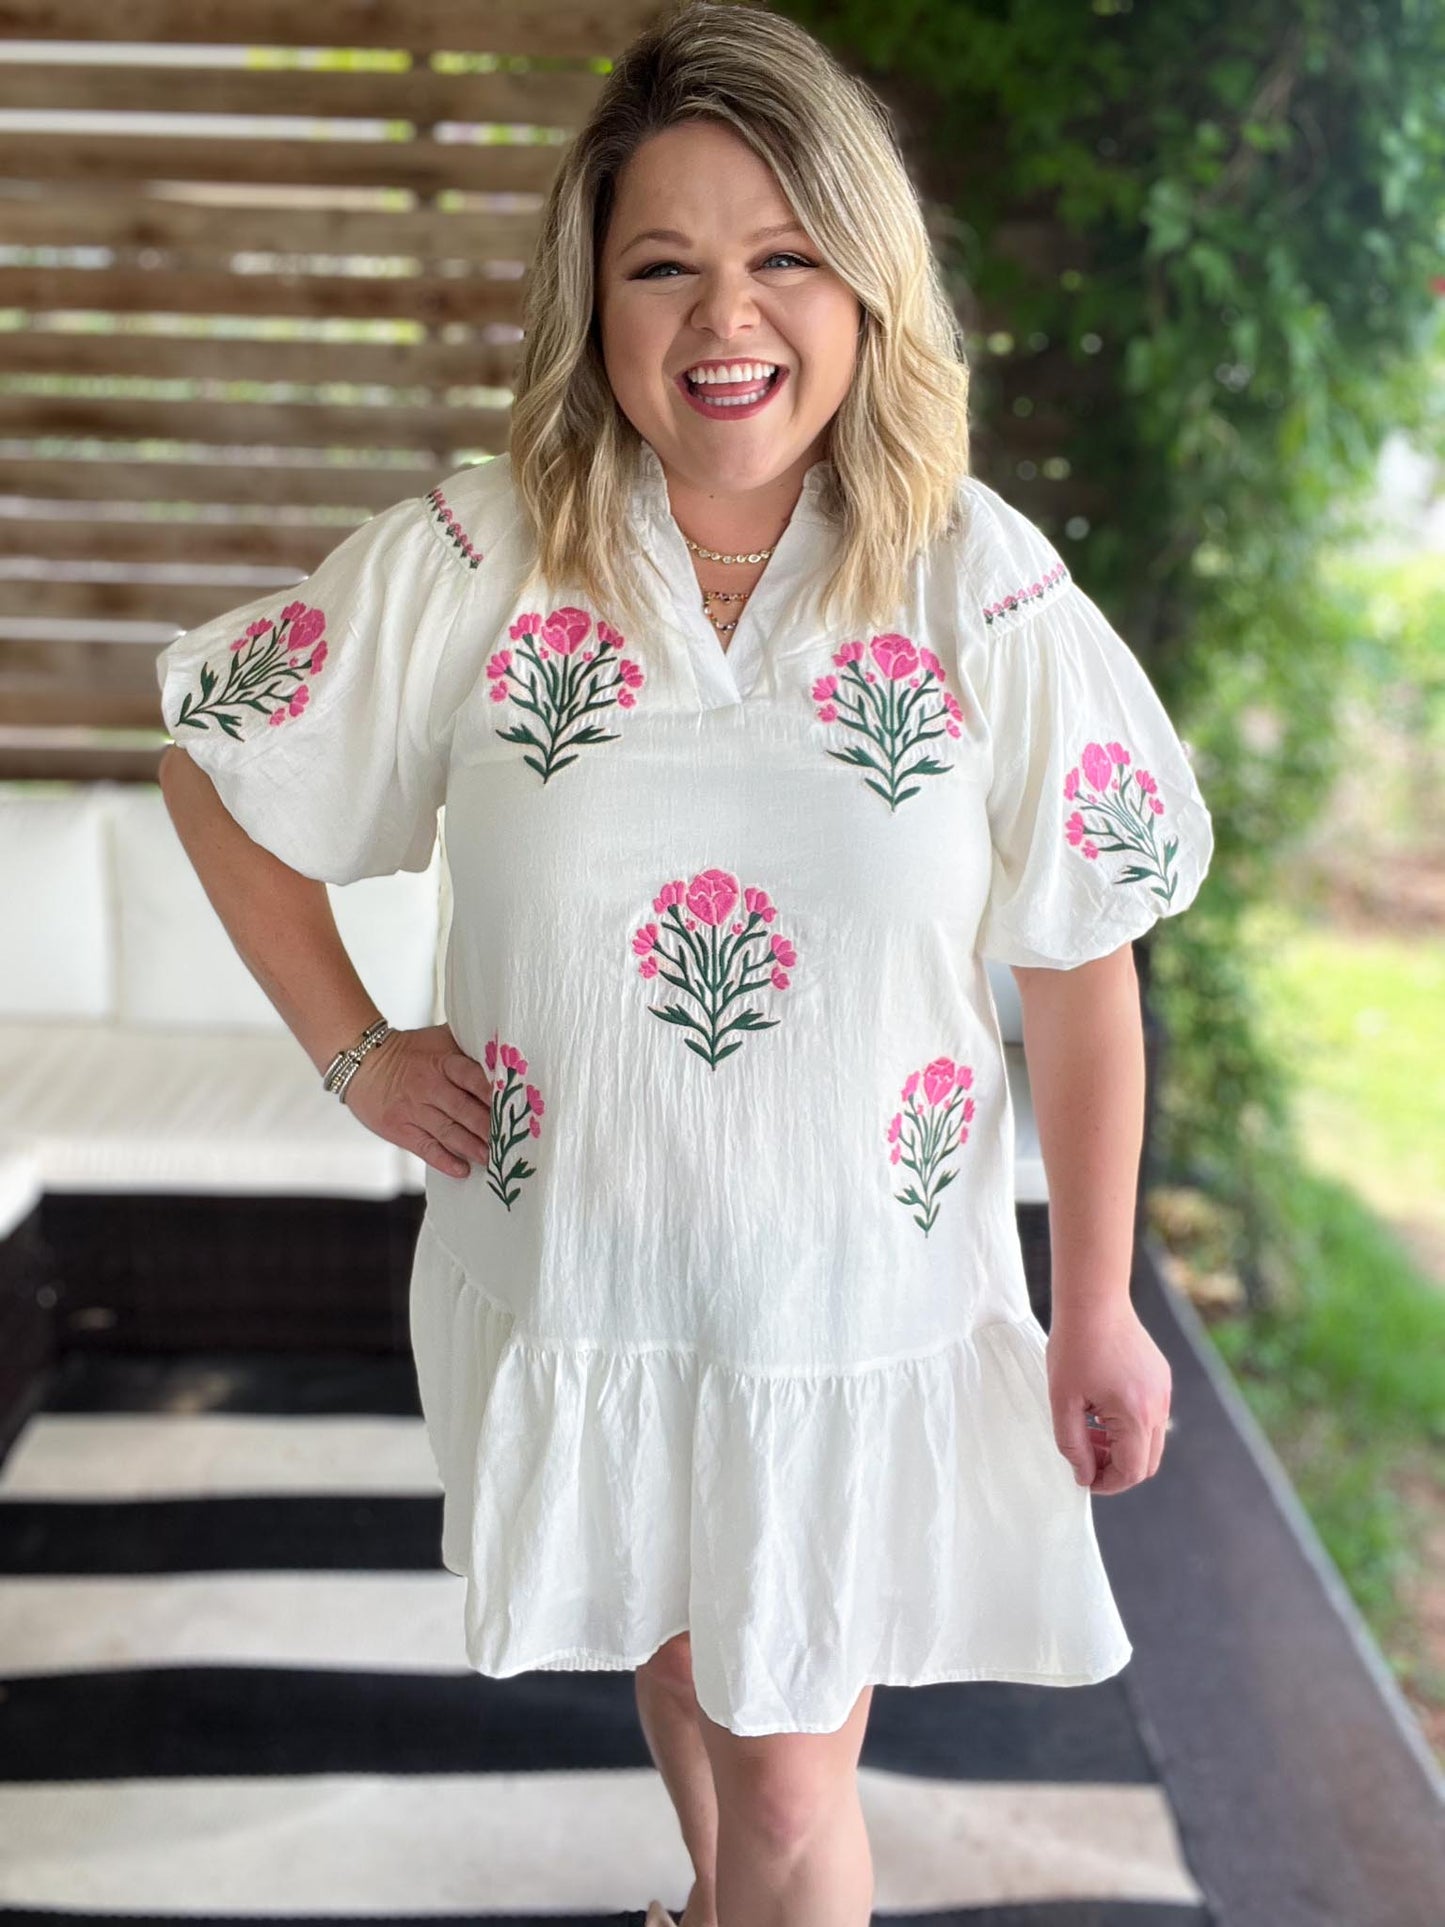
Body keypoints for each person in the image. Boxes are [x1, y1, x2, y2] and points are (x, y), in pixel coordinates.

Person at [154, 3, 1215, 1923]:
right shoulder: (476, 564)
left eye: (782, 256)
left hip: (852, 1312)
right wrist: (356, 1053)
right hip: (587, 1289)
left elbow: (1079, 961)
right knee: (685, 1680)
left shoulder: (981, 583)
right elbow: (218, 766)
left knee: (799, 1804)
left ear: (865, 283)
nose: (727, 319)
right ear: (597, 303)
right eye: (666, 266)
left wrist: (1094, 1301)